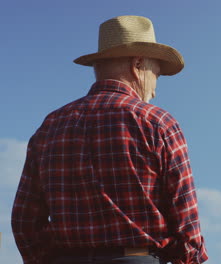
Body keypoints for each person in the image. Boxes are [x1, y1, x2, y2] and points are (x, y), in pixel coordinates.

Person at [11, 15, 208, 264]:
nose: (156, 88)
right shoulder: (158, 123)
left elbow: (24, 220)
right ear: (138, 64)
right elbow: (186, 220)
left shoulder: (51, 125)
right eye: (156, 73)